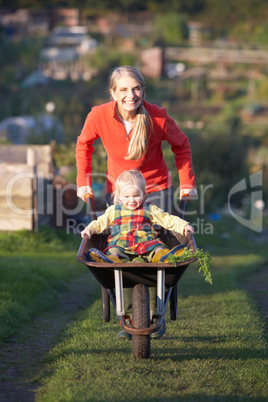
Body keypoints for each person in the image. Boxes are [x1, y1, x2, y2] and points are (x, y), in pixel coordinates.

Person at [81, 170, 194, 340]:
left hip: (147, 244)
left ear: (144, 194)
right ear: (118, 195)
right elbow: (100, 222)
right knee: (116, 259)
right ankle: (127, 316)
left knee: (158, 254)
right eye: (126, 196)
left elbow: (167, 219)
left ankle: (166, 258)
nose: (132, 200)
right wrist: (90, 229)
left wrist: (184, 226)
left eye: (136, 195)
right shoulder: (113, 210)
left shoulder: (150, 209)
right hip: (121, 246)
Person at [76, 66, 197, 214]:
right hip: (120, 191)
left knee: (151, 234)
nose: (131, 95)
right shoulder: (99, 115)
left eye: (136, 89)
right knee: (121, 234)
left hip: (155, 190)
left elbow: (182, 145)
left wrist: (187, 182)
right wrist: (83, 182)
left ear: (143, 90)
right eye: (123, 90)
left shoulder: (157, 117)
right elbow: (83, 145)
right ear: (113, 93)